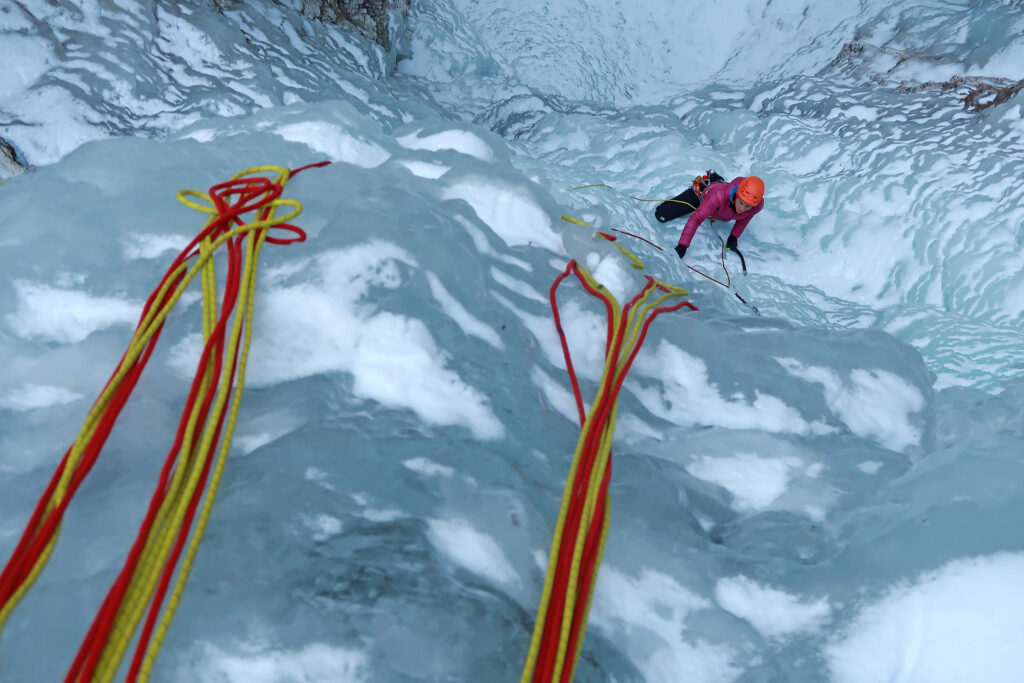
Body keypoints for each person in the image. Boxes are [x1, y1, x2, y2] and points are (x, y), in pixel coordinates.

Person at [654, 174, 764, 259]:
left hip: (719, 196)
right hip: (702, 195)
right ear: (737, 195)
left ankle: (717, 179)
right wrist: (682, 245)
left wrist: (734, 235)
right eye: (741, 203)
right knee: (661, 215)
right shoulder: (719, 196)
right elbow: (696, 218)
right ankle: (710, 180)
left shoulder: (756, 206)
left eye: (747, 206)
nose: (742, 209)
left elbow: (745, 218)